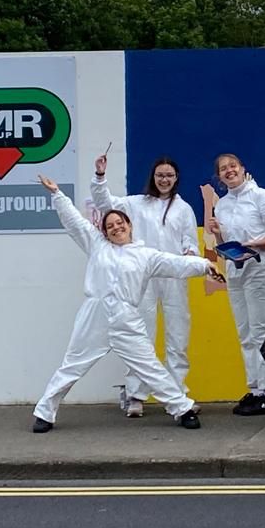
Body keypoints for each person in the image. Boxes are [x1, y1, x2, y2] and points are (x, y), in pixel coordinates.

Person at [32, 175, 219, 433]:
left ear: (129, 225)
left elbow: (176, 263)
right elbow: (75, 222)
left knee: (149, 366)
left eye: (120, 223)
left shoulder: (145, 255)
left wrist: (204, 265)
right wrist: (57, 194)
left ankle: (182, 408)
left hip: (125, 316)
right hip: (94, 315)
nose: (116, 228)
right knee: (72, 365)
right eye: (110, 225)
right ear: (104, 231)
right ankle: (44, 413)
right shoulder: (97, 245)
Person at [92, 153, 200, 417]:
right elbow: (105, 203)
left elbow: (190, 242)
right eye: (160, 175)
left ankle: (176, 393)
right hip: (142, 278)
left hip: (173, 276)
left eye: (170, 176)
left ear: (176, 179)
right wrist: (100, 177)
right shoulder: (136, 204)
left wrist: (190, 255)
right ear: (153, 177)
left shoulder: (183, 209)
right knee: (141, 336)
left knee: (177, 336)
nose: (164, 180)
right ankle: (136, 394)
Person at [205, 153, 265, 416]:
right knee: (246, 333)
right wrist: (218, 234)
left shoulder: (261, 197)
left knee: (262, 330)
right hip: (236, 271)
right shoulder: (222, 204)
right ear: (219, 176)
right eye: (223, 169)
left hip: (260, 269)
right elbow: (227, 243)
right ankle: (256, 389)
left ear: (243, 168)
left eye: (232, 166)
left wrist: (255, 244)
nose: (229, 171)